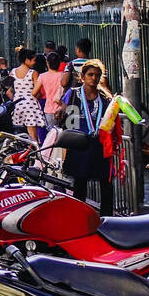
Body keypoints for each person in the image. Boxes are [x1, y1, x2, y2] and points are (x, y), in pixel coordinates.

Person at [61, 60, 116, 216]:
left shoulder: (105, 98)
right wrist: (61, 113)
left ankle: (107, 219)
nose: (94, 78)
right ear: (82, 76)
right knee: (80, 184)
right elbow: (67, 116)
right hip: (79, 146)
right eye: (90, 74)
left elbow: (110, 120)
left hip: (99, 147)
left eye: (97, 75)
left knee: (106, 184)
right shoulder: (72, 94)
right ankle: (80, 218)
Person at [11, 48, 45, 142]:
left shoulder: (13, 72)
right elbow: (37, 91)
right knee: (33, 135)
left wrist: (15, 99)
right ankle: (34, 154)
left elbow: (8, 91)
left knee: (19, 134)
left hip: (17, 104)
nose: (35, 62)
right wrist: (35, 98)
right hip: (30, 105)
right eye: (33, 60)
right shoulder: (33, 73)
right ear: (27, 60)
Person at [37, 52, 67, 128]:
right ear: (59, 63)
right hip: (62, 109)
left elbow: (34, 92)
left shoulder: (42, 76)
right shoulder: (63, 75)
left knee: (52, 134)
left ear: (47, 63)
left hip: (49, 109)